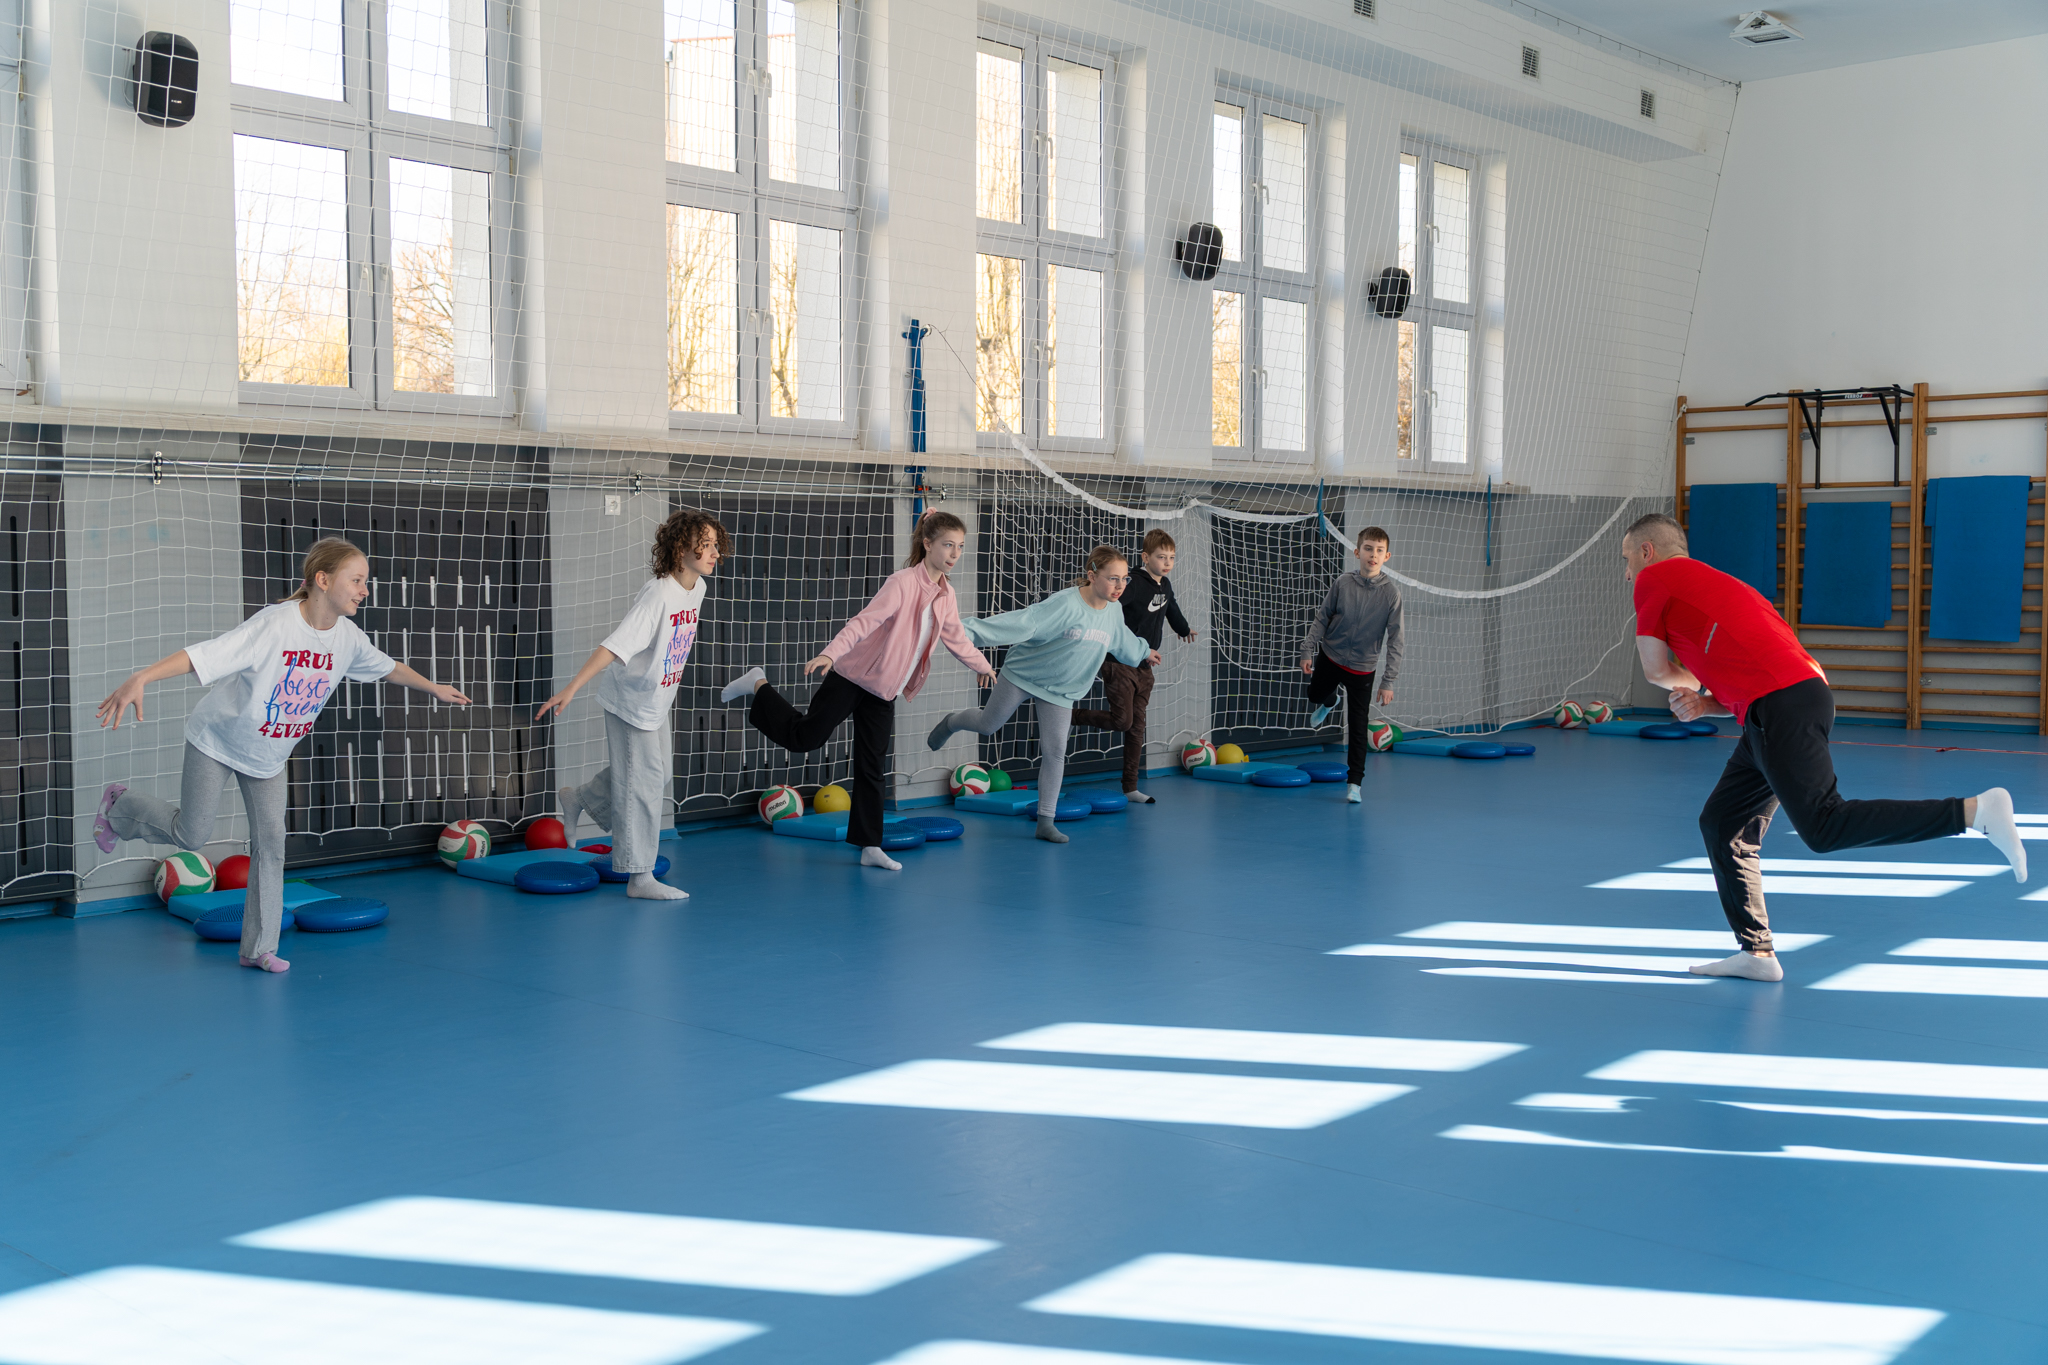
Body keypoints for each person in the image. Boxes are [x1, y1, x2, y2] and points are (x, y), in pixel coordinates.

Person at [1623, 511, 2025, 982]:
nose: (1627, 573)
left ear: (1648, 551)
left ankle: (1974, 812)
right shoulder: (1722, 586)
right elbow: (1753, 668)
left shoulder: (1655, 578)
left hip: (1781, 706)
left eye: (1627, 559)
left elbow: (1655, 670)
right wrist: (1707, 702)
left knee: (1824, 826)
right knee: (1723, 822)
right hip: (1791, 700)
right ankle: (1756, 953)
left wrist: (1687, 685)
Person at [93, 538, 471, 973]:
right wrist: (142, 677)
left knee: (272, 847)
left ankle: (258, 949)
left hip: (268, 757)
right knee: (192, 835)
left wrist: (434, 688)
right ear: (323, 580)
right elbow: (205, 655)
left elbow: (388, 667)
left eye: (365, 582)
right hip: (217, 740)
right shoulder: (275, 624)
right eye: (356, 580)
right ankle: (119, 806)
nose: (364, 590)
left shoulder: (348, 639)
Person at [718, 511, 996, 871]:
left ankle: (869, 845)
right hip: (851, 678)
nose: (955, 554)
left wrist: (982, 665)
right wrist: (831, 654)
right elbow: (864, 622)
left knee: (872, 768)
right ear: (927, 544)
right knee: (805, 738)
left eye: (960, 547)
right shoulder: (902, 583)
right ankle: (758, 684)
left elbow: (955, 637)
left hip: (884, 692)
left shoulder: (946, 595)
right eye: (947, 545)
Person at [542, 508, 729, 902]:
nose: (715, 553)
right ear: (681, 549)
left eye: (716, 545)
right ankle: (638, 876)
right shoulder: (658, 595)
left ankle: (580, 798)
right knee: (641, 785)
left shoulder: (698, 587)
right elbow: (615, 645)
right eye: (706, 545)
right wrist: (572, 687)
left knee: (655, 775)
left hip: (656, 700)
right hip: (630, 702)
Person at [927, 545, 1151, 844]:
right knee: (988, 725)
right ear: (1092, 575)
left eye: (1124, 579)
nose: (1120, 585)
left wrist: (1144, 651)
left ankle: (1046, 821)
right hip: (1024, 675)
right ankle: (951, 722)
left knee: (1056, 752)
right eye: (1113, 578)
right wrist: (961, 631)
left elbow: (1122, 641)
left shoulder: (1113, 611)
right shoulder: (1066, 604)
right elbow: (1023, 621)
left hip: (1060, 691)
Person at [1072, 528, 1196, 804]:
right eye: (1161, 557)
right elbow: (1109, 604)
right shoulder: (1135, 584)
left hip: (1145, 667)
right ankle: (1072, 715)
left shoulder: (1165, 585)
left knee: (1136, 728)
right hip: (1119, 663)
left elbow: (1171, 609)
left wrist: (1184, 628)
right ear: (1145, 557)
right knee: (1122, 721)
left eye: (1171, 557)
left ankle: (1130, 787)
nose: (1167, 562)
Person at [1301, 527, 1404, 804]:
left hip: (1362, 667)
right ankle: (1330, 700)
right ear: (1358, 552)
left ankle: (1355, 783)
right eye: (1368, 548)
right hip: (1331, 656)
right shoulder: (1343, 583)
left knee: (1358, 727)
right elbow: (1322, 617)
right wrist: (1307, 649)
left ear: (1386, 556)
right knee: (1315, 695)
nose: (1373, 554)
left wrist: (1388, 681)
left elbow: (1396, 640)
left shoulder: (1391, 594)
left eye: (1379, 550)